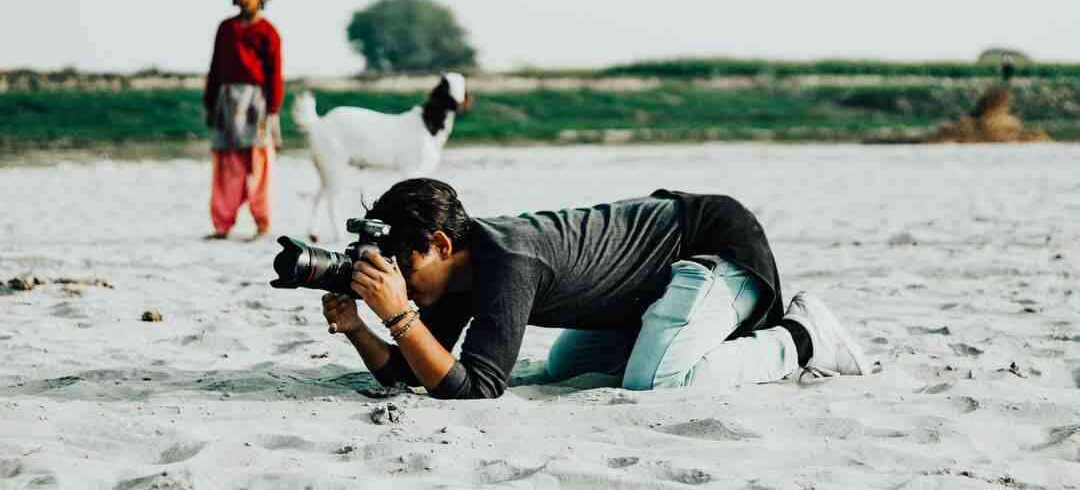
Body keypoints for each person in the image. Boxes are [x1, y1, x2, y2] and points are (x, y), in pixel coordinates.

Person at [320, 178, 870, 400]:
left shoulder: (508, 261)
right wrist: (357, 329)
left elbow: (477, 388)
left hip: (710, 246)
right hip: (646, 290)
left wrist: (399, 316)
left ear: (441, 244)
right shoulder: (455, 274)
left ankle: (802, 336)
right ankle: (680, 335)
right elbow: (418, 369)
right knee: (565, 369)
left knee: (655, 381)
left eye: (403, 268)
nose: (398, 282)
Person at [203, 0, 283, 240]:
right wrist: (210, 104)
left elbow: (274, 74)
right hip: (226, 103)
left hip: (256, 104)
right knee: (227, 165)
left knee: (260, 165)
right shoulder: (226, 29)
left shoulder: (268, 32)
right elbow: (215, 68)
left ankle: (263, 222)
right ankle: (222, 224)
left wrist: (273, 110)